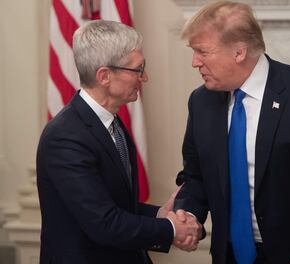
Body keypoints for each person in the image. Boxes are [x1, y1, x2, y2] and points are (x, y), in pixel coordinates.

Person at [173, 1, 290, 263]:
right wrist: (189, 214)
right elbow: (195, 176)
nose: (195, 62)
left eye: (202, 52)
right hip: (229, 256)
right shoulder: (201, 101)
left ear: (239, 52)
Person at [36, 20, 201, 264]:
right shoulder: (65, 137)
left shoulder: (110, 122)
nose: (144, 77)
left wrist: (159, 213)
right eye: (137, 69)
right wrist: (172, 229)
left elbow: (114, 203)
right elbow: (104, 223)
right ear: (104, 76)